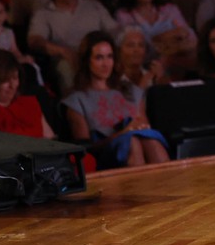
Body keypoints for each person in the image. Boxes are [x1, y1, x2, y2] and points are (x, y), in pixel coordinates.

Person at [63, 31, 168, 169]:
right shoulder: (76, 100)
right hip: (106, 153)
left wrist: (135, 128)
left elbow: (143, 125)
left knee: (150, 140)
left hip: (140, 142)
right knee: (132, 142)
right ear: (87, 60)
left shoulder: (131, 91)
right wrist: (122, 134)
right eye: (99, 58)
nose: (106, 64)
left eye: (109, 57)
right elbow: (85, 147)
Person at [27, 0, 120, 92]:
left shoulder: (93, 6)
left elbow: (115, 31)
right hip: (69, 59)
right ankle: (76, 109)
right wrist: (62, 51)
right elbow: (35, 40)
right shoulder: (43, 13)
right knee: (66, 67)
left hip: (100, 56)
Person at [115, 0, 196, 74]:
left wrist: (163, 43)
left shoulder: (169, 9)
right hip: (142, 71)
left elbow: (190, 37)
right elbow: (134, 49)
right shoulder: (124, 14)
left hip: (176, 66)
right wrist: (169, 38)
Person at [0, 50, 56, 138]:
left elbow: (51, 141)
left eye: (15, 78)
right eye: (5, 80)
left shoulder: (30, 104)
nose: (13, 86)